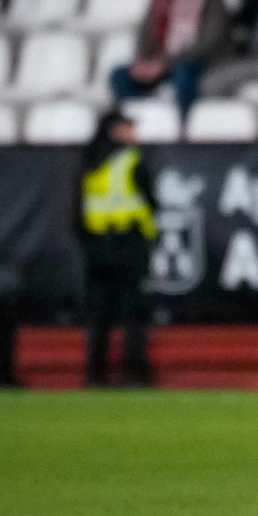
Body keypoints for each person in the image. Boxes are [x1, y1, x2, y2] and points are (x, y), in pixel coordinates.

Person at [79, 109, 157, 388]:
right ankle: (134, 373)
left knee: (98, 314)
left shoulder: (87, 161)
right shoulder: (131, 160)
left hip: (96, 247)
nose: (134, 133)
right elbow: (150, 200)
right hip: (129, 243)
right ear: (116, 130)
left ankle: (94, 374)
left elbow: (76, 210)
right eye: (128, 127)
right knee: (133, 312)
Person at [110, 0, 230, 115]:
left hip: (196, 63)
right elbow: (146, 31)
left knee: (183, 76)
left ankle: (182, 130)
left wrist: (166, 64)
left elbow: (208, 44)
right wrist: (143, 61)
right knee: (120, 76)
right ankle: (138, 123)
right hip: (162, 61)